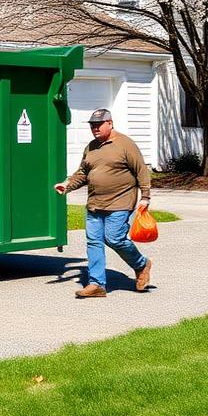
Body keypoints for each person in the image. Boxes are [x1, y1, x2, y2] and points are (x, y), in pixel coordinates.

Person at [54, 108, 153, 298]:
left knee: (115, 238)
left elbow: (141, 170)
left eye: (99, 125)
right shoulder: (91, 147)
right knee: (94, 242)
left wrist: (145, 197)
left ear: (110, 123)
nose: (95, 129)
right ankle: (97, 284)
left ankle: (142, 264)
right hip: (94, 204)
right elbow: (83, 172)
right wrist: (66, 185)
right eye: (92, 126)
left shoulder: (125, 144)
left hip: (120, 202)